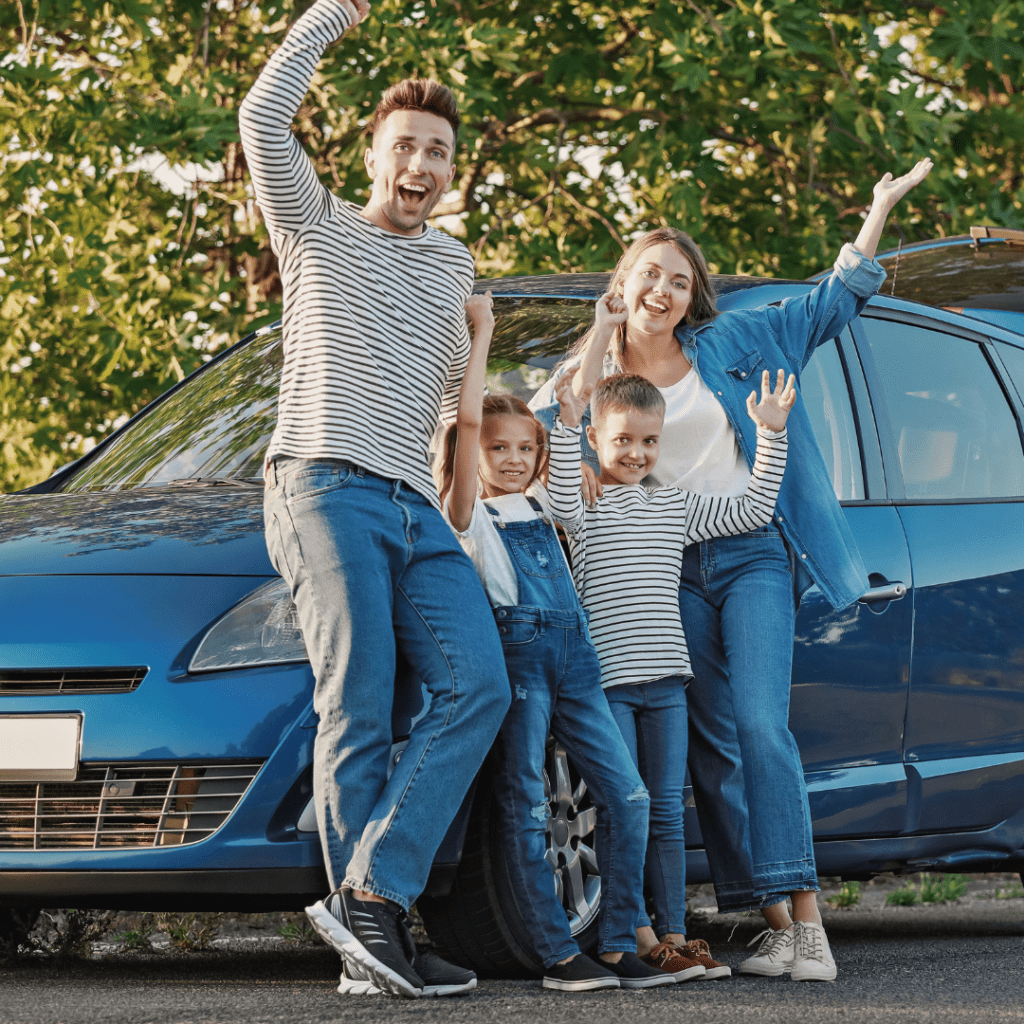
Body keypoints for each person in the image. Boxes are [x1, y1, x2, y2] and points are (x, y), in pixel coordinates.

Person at [531, 160, 933, 982]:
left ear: (692, 297)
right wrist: (600, 334)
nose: (665, 290)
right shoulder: (595, 379)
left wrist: (876, 213)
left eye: (680, 281)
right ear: (624, 283)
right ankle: (772, 919)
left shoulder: (736, 341)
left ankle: (810, 927)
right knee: (710, 750)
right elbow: (543, 431)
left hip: (748, 550)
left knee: (757, 723)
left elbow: (829, 303)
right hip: (661, 572)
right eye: (650, 274)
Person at [239, 0, 510, 999]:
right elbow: (264, 119)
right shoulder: (311, 225)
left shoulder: (453, 261)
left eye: (438, 151)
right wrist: (326, 19)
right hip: (321, 479)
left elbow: (450, 399)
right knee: (354, 699)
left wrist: (479, 347)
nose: (421, 164)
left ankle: (373, 895)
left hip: (412, 500)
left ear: (451, 170)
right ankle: (375, 932)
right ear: (373, 156)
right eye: (405, 145)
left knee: (480, 684)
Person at [435, 294, 672, 992]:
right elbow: (466, 416)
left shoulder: (551, 500)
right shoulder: (464, 512)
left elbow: (577, 404)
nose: (511, 460)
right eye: (496, 449)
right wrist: (480, 336)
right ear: (469, 453)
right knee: (526, 805)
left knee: (629, 797)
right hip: (521, 661)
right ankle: (556, 953)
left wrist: (603, 325)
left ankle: (620, 939)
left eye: (523, 449)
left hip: (578, 657)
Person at [546, 341, 793, 980]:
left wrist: (769, 436)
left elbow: (751, 510)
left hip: (667, 683)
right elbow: (557, 490)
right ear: (598, 440)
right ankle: (633, 933)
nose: (637, 454)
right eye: (623, 440)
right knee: (623, 806)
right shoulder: (585, 503)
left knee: (663, 809)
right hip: (611, 684)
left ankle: (676, 935)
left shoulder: (674, 505)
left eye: (650, 442)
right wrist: (569, 419)